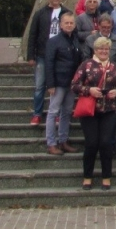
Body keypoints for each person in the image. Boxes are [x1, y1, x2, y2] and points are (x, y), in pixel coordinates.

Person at [70, 37, 116, 191]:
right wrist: (89, 90)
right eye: (100, 49)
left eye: (106, 49)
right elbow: (74, 85)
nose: (103, 51)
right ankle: (87, 177)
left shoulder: (115, 67)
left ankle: (106, 177)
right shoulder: (86, 65)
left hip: (109, 110)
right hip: (90, 110)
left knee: (105, 143)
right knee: (91, 143)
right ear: (95, 50)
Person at [26, 0, 70, 126]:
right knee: (40, 85)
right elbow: (33, 34)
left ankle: (56, 113)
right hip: (42, 54)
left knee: (58, 86)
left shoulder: (66, 12)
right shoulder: (40, 14)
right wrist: (30, 55)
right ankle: (37, 113)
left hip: (60, 56)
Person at [44, 12, 81, 155]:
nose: (69, 25)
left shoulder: (75, 40)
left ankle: (63, 140)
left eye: (71, 23)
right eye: (66, 23)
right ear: (60, 24)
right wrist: (50, 84)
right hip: (58, 83)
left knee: (66, 112)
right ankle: (51, 143)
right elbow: (49, 63)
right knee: (53, 112)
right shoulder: (54, 41)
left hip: (71, 83)